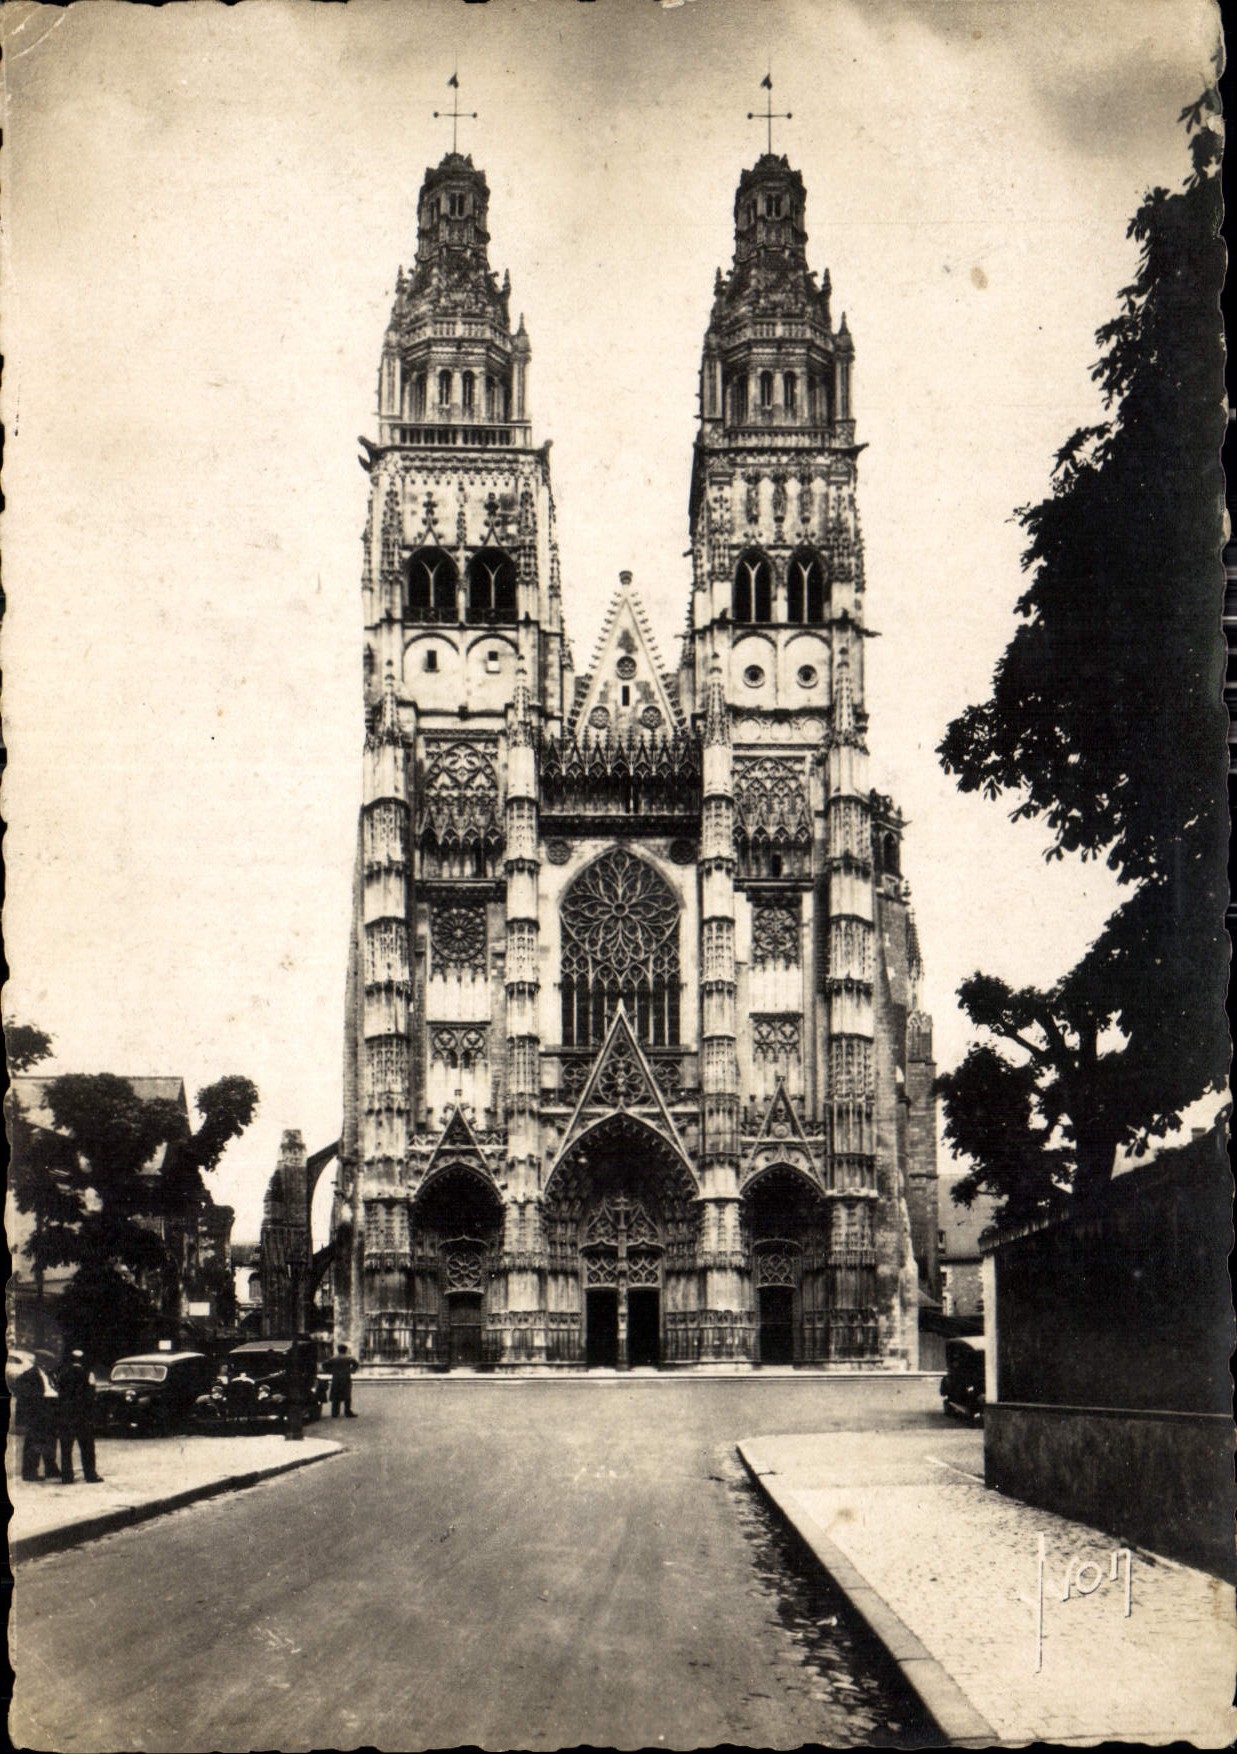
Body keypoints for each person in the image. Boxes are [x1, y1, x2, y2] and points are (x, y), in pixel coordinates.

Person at [56, 1349, 102, 1483]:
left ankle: (67, 1476)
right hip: (83, 1416)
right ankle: (90, 1475)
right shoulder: (88, 1374)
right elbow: (91, 1395)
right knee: (87, 1447)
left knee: (66, 1448)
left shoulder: (62, 1374)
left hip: (66, 1415)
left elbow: (59, 1392)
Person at [14, 1359, 59, 1481]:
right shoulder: (30, 1375)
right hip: (37, 1413)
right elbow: (20, 1390)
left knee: (50, 1440)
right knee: (34, 1442)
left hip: (49, 1410)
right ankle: (29, 1472)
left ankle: (51, 1468)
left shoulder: (48, 1374)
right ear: (42, 1363)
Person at [324, 1345, 358, 1418]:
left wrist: (329, 1371)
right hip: (345, 1377)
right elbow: (356, 1364)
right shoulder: (349, 1358)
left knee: (335, 1395)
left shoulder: (333, 1358)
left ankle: (334, 1412)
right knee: (347, 1395)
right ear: (345, 1350)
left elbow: (325, 1364)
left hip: (336, 1378)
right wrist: (352, 1371)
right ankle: (347, 1411)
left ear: (338, 1350)